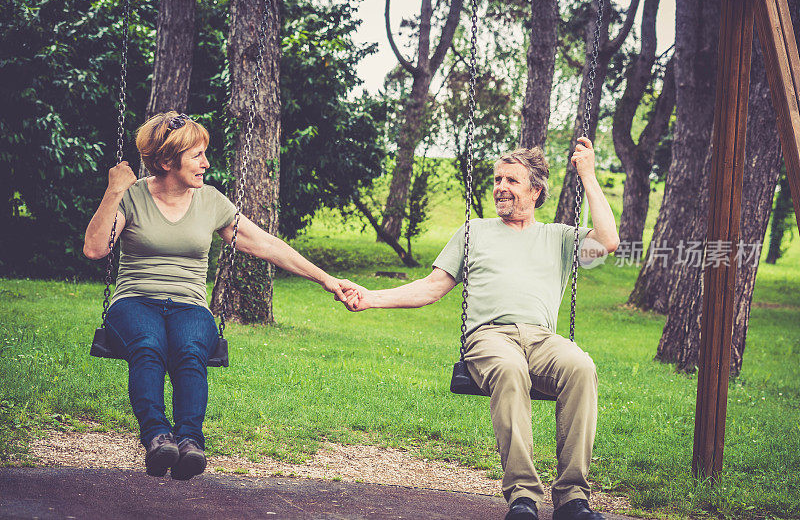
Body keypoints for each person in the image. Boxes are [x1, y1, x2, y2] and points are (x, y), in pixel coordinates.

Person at [343, 138, 618, 520]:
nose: (500, 187)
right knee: (509, 369)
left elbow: (608, 241)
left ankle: (573, 499)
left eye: (512, 181)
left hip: (542, 339)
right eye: (498, 179)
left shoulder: (559, 237)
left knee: (581, 367)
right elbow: (432, 287)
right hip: (489, 338)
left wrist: (587, 173)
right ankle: (523, 496)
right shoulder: (475, 232)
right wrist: (372, 297)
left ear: (535, 191)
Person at [83, 111, 359, 480]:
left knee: (190, 350)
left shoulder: (211, 202)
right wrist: (114, 190)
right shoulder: (131, 197)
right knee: (148, 345)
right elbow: (95, 248)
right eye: (196, 156)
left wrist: (326, 279)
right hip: (134, 300)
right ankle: (156, 437)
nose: (206, 164)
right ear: (167, 161)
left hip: (190, 305)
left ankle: (189, 442)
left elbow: (267, 245)